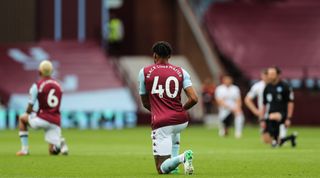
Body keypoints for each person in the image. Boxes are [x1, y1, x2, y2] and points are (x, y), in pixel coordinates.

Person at [138, 41, 198, 175]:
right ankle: (175, 167)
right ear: (170, 56)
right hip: (181, 120)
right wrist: (181, 109)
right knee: (174, 130)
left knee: (161, 168)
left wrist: (159, 112)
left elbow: (145, 102)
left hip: (162, 123)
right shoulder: (181, 71)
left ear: (154, 55)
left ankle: (182, 157)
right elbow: (194, 98)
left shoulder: (145, 72)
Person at [16, 60, 68, 156]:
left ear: (39, 72)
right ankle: (60, 145)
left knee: (22, 118)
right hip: (55, 121)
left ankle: (24, 150)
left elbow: (29, 108)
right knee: (52, 152)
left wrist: (32, 112)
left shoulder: (37, 85)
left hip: (42, 119)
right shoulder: (59, 85)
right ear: (52, 72)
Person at [262, 67, 297, 148]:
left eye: (272, 74)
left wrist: (288, 118)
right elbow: (264, 104)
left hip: (282, 113)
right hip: (270, 113)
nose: (270, 76)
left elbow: (290, 103)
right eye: (269, 74)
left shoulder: (285, 86)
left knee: (273, 117)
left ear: (278, 75)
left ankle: (275, 140)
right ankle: (291, 138)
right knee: (266, 140)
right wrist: (262, 119)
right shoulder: (267, 87)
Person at [245, 69, 272, 143]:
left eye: (267, 75)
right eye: (264, 75)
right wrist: (256, 111)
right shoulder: (258, 86)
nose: (266, 77)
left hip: (275, 112)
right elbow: (247, 99)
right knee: (266, 140)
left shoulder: (275, 85)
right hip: (263, 113)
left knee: (276, 137)